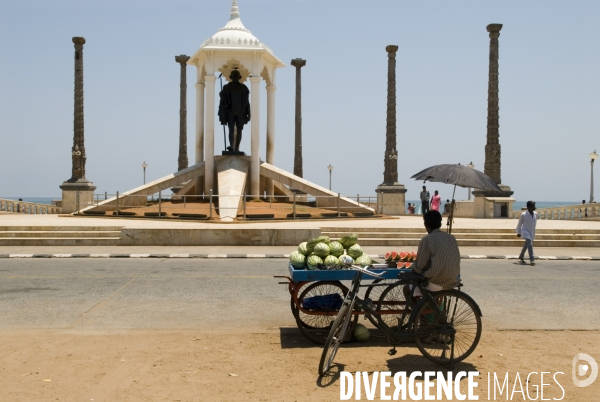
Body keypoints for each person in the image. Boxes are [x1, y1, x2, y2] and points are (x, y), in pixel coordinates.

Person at [404, 210, 461, 298]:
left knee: (407, 289)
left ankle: (419, 311)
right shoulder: (451, 238)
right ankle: (425, 309)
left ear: (426, 224)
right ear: (440, 224)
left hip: (437, 282)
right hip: (453, 280)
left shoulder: (427, 240)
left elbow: (419, 266)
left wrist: (413, 269)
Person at [218, 69, 251, 152]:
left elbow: (247, 102)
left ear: (240, 77)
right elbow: (224, 100)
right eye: (233, 76)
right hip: (230, 112)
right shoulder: (226, 87)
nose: (235, 78)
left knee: (239, 130)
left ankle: (236, 148)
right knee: (231, 130)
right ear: (230, 77)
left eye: (237, 76)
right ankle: (232, 147)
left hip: (241, 112)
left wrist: (248, 114)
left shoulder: (244, 88)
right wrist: (222, 96)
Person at [516, 200, 538, 266]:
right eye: (532, 206)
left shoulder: (535, 214)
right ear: (528, 207)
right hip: (525, 231)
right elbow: (519, 224)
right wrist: (518, 232)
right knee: (530, 244)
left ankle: (521, 256)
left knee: (527, 244)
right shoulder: (523, 215)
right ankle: (532, 259)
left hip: (531, 231)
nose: (534, 207)